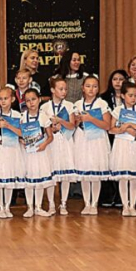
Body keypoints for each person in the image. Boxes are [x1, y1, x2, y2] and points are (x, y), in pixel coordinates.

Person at [109, 82, 136, 216]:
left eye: (135, 95)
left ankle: (132, 205)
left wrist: (130, 125)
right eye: (130, 95)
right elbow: (111, 129)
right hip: (122, 144)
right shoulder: (118, 110)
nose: (133, 98)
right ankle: (125, 205)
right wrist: (123, 129)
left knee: (134, 177)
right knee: (123, 177)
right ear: (123, 95)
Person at [74, 75, 112, 214]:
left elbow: (107, 125)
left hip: (97, 139)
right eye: (88, 86)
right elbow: (73, 125)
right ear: (83, 88)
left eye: (95, 86)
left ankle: (94, 203)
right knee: (85, 172)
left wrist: (90, 118)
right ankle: (86, 203)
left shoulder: (102, 104)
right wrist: (78, 121)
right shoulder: (77, 104)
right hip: (82, 138)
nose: (91, 89)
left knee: (95, 172)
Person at [42, 77, 78, 214]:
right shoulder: (45, 107)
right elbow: (42, 126)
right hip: (51, 141)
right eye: (61, 89)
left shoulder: (69, 105)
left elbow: (72, 125)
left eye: (65, 89)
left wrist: (61, 121)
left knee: (65, 173)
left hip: (65, 141)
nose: (64, 92)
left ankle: (63, 203)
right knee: (51, 173)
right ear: (53, 90)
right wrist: (51, 128)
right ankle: (51, 203)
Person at [20, 89, 56, 218]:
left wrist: (44, 144)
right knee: (29, 180)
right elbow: (19, 134)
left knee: (39, 180)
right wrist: (21, 140)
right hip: (27, 153)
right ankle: (30, 207)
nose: (31, 103)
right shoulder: (22, 117)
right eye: (28, 100)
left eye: (34, 99)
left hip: (41, 152)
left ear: (39, 99)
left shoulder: (43, 116)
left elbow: (50, 136)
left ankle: (38, 207)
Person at [0, 87, 24, 218]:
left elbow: (22, 133)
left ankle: (7, 206)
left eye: (6, 98)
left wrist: (9, 126)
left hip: (12, 147)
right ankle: (0, 205)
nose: (3, 101)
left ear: (12, 99)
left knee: (10, 175)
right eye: (1, 99)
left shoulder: (17, 115)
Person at [99, 69, 129, 208]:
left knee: (123, 164)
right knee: (108, 164)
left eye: (121, 79)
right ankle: (107, 195)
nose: (118, 82)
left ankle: (122, 197)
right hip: (109, 135)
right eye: (115, 79)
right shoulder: (103, 98)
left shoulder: (131, 97)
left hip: (126, 136)